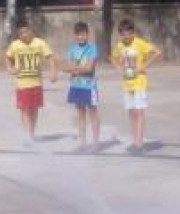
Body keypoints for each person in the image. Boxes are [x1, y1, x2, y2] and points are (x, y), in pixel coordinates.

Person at [110, 18, 162, 154]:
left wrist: (144, 66)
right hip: (127, 84)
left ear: (133, 32)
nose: (125, 36)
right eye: (122, 34)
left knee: (139, 112)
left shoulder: (139, 43)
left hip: (139, 82)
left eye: (128, 33)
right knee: (131, 113)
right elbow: (113, 57)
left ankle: (139, 144)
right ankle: (134, 141)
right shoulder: (120, 45)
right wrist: (118, 67)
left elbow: (157, 52)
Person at [4, 19, 57, 146]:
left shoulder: (39, 43)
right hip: (22, 84)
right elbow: (7, 57)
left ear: (31, 31)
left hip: (36, 83)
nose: (23, 35)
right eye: (20, 34)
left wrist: (53, 71)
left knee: (34, 110)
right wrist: (10, 68)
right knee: (24, 109)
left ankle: (31, 133)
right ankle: (27, 135)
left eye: (25, 32)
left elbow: (50, 57)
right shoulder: (15, 45)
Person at [61, 21, 100, 153]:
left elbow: (90, 68)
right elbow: (66, 67)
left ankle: (95, 143)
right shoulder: (72, 49)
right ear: (75, 35)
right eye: (78, 35)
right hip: (76, 85)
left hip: (89, 86)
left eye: (83, 34)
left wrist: (75, 69)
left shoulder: (92, 48)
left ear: (87, 35)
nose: (81, 37)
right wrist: (76, 69)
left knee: (93, 113)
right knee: (80, 115)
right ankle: (83, 143)